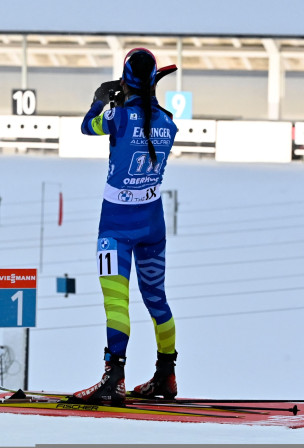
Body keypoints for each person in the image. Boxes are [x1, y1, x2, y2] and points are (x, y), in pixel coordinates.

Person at [71, 48, 179, 405]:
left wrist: (99, 100)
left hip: (115, 226)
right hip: (153, 223)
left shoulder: (116, 116)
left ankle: (113, 378)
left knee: (116, 302)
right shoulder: (168, 121)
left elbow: (88, 126)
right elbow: (149, 118)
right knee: (157, 300)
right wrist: (138, 97)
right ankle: (166, 374)